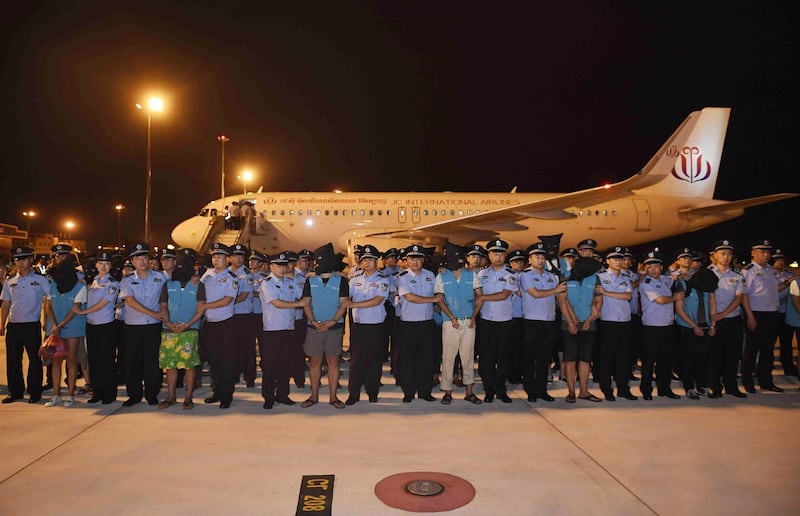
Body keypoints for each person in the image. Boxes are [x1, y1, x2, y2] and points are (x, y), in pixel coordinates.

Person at [259, 251, 309, 409]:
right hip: (272, 330)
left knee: (285, 364)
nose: (282, 268)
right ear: (271, 266)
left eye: (284, 265)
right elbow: (277, 303)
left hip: (288, 328)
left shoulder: (290, 282)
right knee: (270, 365)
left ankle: (282, 394)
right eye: (278, 265)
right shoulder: (266, 283)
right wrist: (298, 305)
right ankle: (268, 397)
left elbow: (302, 296)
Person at [119, 243, 167, 407]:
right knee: (133, 362)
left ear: (149, 259)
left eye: (144, 257)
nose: (142, 261)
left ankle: (152, 393)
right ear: (132, 261)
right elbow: (130, 302)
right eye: (138, 258)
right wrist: (153, 313)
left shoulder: (160, 277)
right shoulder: (127, 281)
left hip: (153, 327)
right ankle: (134, 395)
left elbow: (164, 299)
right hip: (133, 326)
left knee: (153, 362)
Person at [0, 247, 50, 404]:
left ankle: (35, 392)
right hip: (14, 326)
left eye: (24, 259)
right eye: (17, 259)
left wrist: (45, 320)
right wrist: (2, 324)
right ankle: (16, 392)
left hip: (32, 325)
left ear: (31, 260)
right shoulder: (10, 282)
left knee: (35, 360)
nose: (20, 263)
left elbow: (48, 300)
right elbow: (6, 304)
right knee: (13, 360)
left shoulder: (41, 280)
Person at [434, 243, 482, 405]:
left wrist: (474, 316)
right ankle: (447, 391)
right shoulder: (441, 276)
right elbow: (440, 300)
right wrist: (451, 317)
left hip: (469, 322)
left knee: (467, 358)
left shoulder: (471, 275)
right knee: (448, 358)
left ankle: (469, 392)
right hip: (450, 323)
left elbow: (480, 297)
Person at [158, 251, 205, 410]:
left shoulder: (198, 284)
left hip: (190, 330)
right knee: (170, 366)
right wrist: (169, 323)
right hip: (169, 330)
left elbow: (200, 309)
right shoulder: (168, 284)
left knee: (189, 365)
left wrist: (187, 324)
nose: (180, 267)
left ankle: (188, 398)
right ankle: (171, 397)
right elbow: (163, 305)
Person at [395, 244, 442, 402]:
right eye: (412, 258)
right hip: (409, 324)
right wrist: (432, 300)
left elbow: (439, 296)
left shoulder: (430, 275)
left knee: (426, 359)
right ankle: (408, 392)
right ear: (406, 260)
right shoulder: (402, 277)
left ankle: (425, 391)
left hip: (427, 323)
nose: (415, 261)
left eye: (418, 258)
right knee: (408, 359)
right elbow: (410, 297)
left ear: (423, 259)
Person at [519, 242, 564, 402]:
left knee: (545, 358)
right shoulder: (525, 275)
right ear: (530, 259)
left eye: (542, 257)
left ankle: (542, 389)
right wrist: (556, 290)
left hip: (549, 321)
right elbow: (535, 294)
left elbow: (559, 299)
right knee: (530, 357)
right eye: (536, 256)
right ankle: (530, 390)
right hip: (532, 321)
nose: (540, 259)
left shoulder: (552, 276)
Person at [346, 245, 390, 405]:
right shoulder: (355, 280)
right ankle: (353, 394)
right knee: (356, 361)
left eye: (371, 259)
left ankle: (372, 392)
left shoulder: (382, 280)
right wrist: (348, 304)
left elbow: (377, 301)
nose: (367, 262)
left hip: (375, 326)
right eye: (365, 260)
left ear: (376, 261)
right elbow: (346, 298)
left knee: (374, 360)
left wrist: (353, 305)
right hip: (358, 326)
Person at [741, 240, 786, 393]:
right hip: (756, 314)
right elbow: (744, 295)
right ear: (753, 253)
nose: (766, 254)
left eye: (768, 251)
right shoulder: (748, 271)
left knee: (768, 351)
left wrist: (786, 284)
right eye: (762, 251)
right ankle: (748, 382)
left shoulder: (771, 271)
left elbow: (774, 290)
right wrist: (750, 316)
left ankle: (766, 381)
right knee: (751, 350)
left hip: (772, 314)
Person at [42, 254, 87, 407]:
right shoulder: (52, 285)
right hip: (54, 329)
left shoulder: (80, 286)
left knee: (72, 360)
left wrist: (60, 325)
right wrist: (54, 325)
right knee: (55, 361)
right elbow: (47, 305)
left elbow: (76, 309)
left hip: (72, 327)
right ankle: (56, 395)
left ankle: (70, 395)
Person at [556, 257, 603, 403]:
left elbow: (598, 300)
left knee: (585, 359)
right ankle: (571, 392)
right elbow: (562, 302)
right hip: (569, 325)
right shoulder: (565, 278)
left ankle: (584, 391)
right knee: (570, 359)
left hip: (589, 324)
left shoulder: (595, 279)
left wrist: (590, 319)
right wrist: (571, 323)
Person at [475, 239, 516, 403]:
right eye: (494, 253)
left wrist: (483, 297)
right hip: (486, 321)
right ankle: (488, 389)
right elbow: (475, 296)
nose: (497, 256)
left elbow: (504, 295)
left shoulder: (510, 274)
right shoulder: (482, 274)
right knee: (486, 358)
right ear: (489, 255)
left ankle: (501, 389)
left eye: (501, 253)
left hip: (504, 321)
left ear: (505, 255)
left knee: (503, 358)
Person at [76, 252, 119, 404]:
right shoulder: (92, 282)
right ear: (96, 265)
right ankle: (97, 392)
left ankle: (109, 393)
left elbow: (103, 303)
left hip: (106, 325)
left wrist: (83, 311)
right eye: (100, 263)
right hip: (91, 325)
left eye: (106, 263)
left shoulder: (113, 283)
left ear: (110, 266)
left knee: (106, 360)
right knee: (93, 360)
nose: (103, 266)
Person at [637, 250, 680, 400]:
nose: (653, 269)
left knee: (666, 360)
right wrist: (676, 297)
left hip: (667, 326)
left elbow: (676, 274)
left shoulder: (665, 280)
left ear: (662, 267)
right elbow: (661, 300)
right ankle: (646, 390)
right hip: (652, 327)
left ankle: (664, 388)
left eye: (656, 265)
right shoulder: (646, 283)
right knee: (649, 361)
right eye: (649, 266)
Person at [596, 246, 637, 401]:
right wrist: (611, 294)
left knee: (623, 357)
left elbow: (627, 296)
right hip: (608, 321)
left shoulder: (625, 278)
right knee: (606, 357)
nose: (618, 262)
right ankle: (606, 388)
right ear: (607, 261)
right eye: (615, 259)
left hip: (625, 322)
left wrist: (606, 292)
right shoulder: (600, 277)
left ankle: (623, 388)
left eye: (620, 259)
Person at [200, 243, 239, 408]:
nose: (216, 260)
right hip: (209, 325)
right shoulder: (206, 275)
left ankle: (226, 396)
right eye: (214, 257)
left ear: (227, 259)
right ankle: (216, 392)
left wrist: (205, 307)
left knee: (226, 362)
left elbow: (227, 300)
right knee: (213, 362)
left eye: (220, 257)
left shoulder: (232, 278)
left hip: (226, 325)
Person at [707, 240, 747, 397]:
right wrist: (714, 318)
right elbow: (709, 298)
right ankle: (714, 387)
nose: (726, 257)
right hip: (714, 321)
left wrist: (722, 315)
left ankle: (731, 387)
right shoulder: (708, 274)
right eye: (723, 253)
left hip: (732, 320)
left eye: (729, 254)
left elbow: (739, 298)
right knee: (714, 356)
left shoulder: (737, 275)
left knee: (732, 356)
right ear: (715, 256)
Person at [674, 267, 718, 399]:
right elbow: (679, 309)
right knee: (687, 360)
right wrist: (693, 326)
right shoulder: (682, 284)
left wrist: (713, 325)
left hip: (704, 326)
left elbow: (712, 304)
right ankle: (689, 388)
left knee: (703, 360)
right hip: (686, 327)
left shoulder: (708, 283)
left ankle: (702, 387)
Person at [228, 244, 257, 388]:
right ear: (230, 258)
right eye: (235, 256)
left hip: (244, 316)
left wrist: (226, 302)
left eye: (241, 256)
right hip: (230, 315)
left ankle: (249, 377)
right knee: (232, 348)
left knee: (247, 348)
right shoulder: (225, 272)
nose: (239, 259)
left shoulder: (247, 274)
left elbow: (244, 295)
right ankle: (233, 376)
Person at [772, 249, 798, 377]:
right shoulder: (768, 275)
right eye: (777, 260)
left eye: (782, 260)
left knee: (786, 343)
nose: (780, 263)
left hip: (786, 314)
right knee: (770, 342)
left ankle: (788, 366)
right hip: (773, 313)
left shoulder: (790, 275)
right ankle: (768, 364)